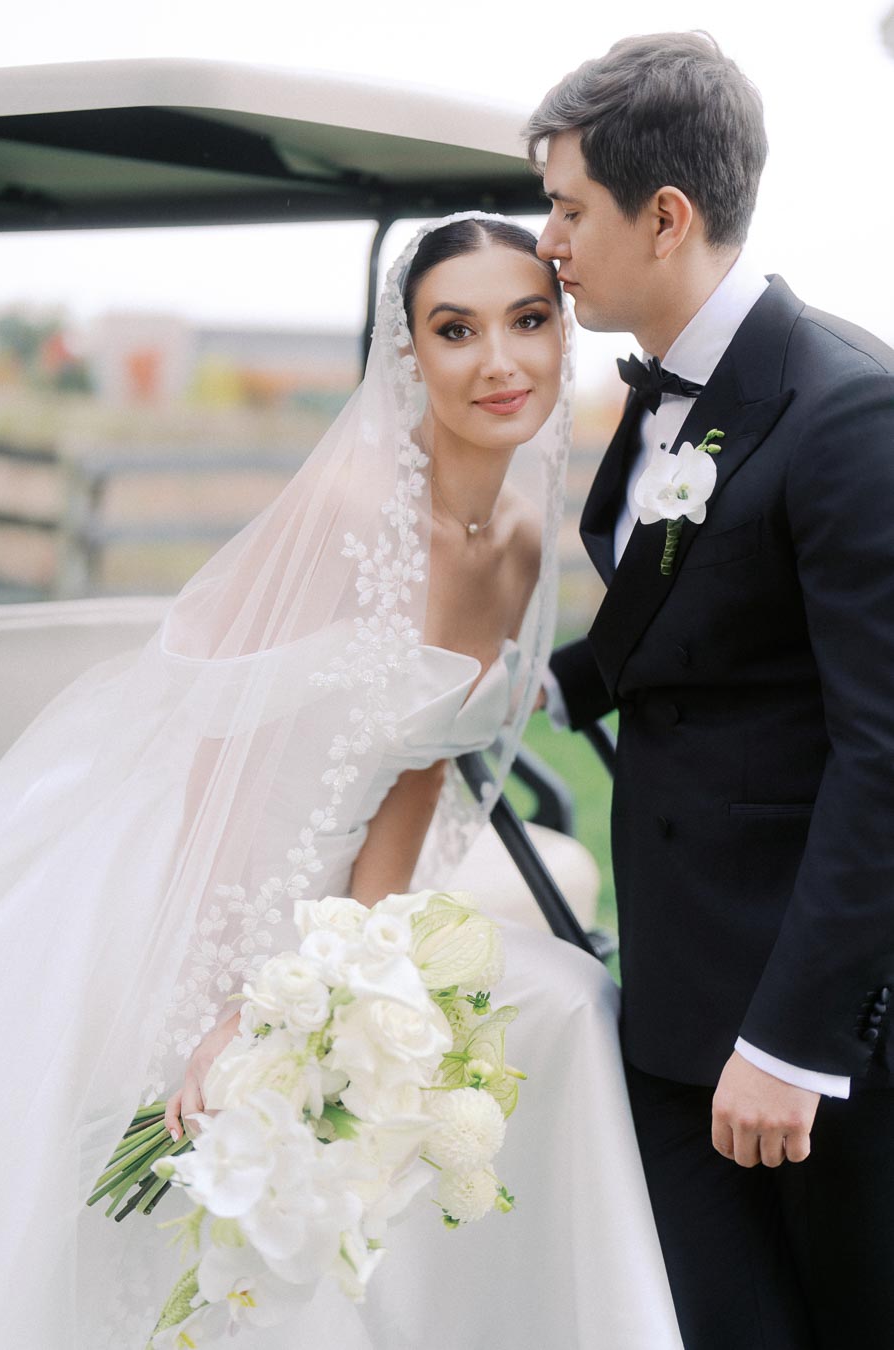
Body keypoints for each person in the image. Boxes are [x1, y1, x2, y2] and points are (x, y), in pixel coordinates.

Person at [0, 214, 682, 1350]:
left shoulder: (517, 539)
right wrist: (232, 1007)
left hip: (345, 910)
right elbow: (215, 757)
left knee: (569, 998)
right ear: (409, 353)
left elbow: (420, 762)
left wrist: (359, 961)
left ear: (564, 336)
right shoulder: (351, 511)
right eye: (455, 330)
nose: (498, 361)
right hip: (206, 889)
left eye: (527, 320)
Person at [528, 31, 894, 1350]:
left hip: (813, 1044)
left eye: (569, 208)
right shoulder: (671, 395)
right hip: (677, 1009)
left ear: (664, 214)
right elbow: (677, 615)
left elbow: (884, 751)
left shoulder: (849, 413)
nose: (549, 240)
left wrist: (797, 1043)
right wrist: (524, 692)